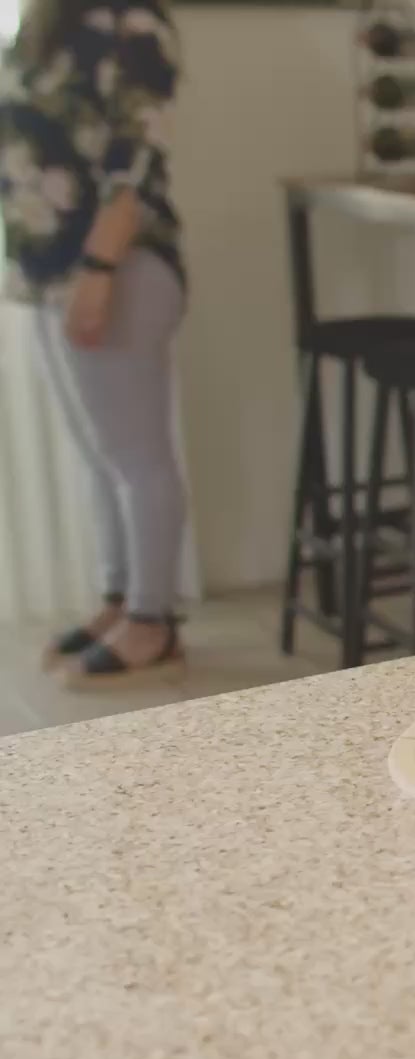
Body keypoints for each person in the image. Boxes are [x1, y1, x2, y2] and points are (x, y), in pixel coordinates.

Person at [0, 0, 187, 685]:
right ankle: (118, 600)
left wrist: (101, 270)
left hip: (117, 266)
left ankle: (151, 619)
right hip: (48, 271)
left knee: (136, 457)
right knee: (99, 454)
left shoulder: (132, 22)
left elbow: (134, 159)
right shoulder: (42, 24)